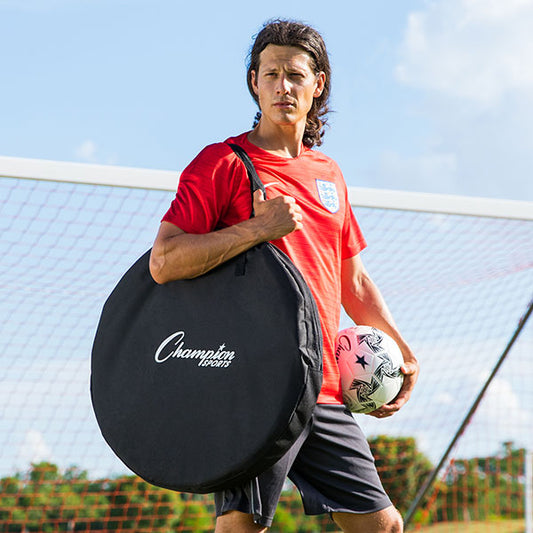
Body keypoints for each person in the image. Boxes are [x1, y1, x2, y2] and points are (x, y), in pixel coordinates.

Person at [149, 19, 419, 533]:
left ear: (318, 84)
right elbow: (164, 261)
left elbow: (354, 283)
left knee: (383, 524)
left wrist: (404, 352)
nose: (282, 87)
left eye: (295, 75)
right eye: (270, 74)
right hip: (255, 383)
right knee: (242, 528)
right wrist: (259, 228)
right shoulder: (222, 163)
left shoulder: (329, 174)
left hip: (324, 386)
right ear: (254, 82)